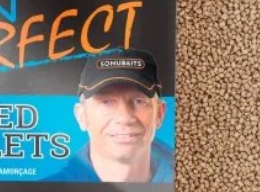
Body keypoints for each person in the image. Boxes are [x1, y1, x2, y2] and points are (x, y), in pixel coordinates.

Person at [50, 49, 172, 183]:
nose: (125, 118)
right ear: (81, 116)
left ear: (159, 114)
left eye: (139, 101)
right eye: (106, 102)